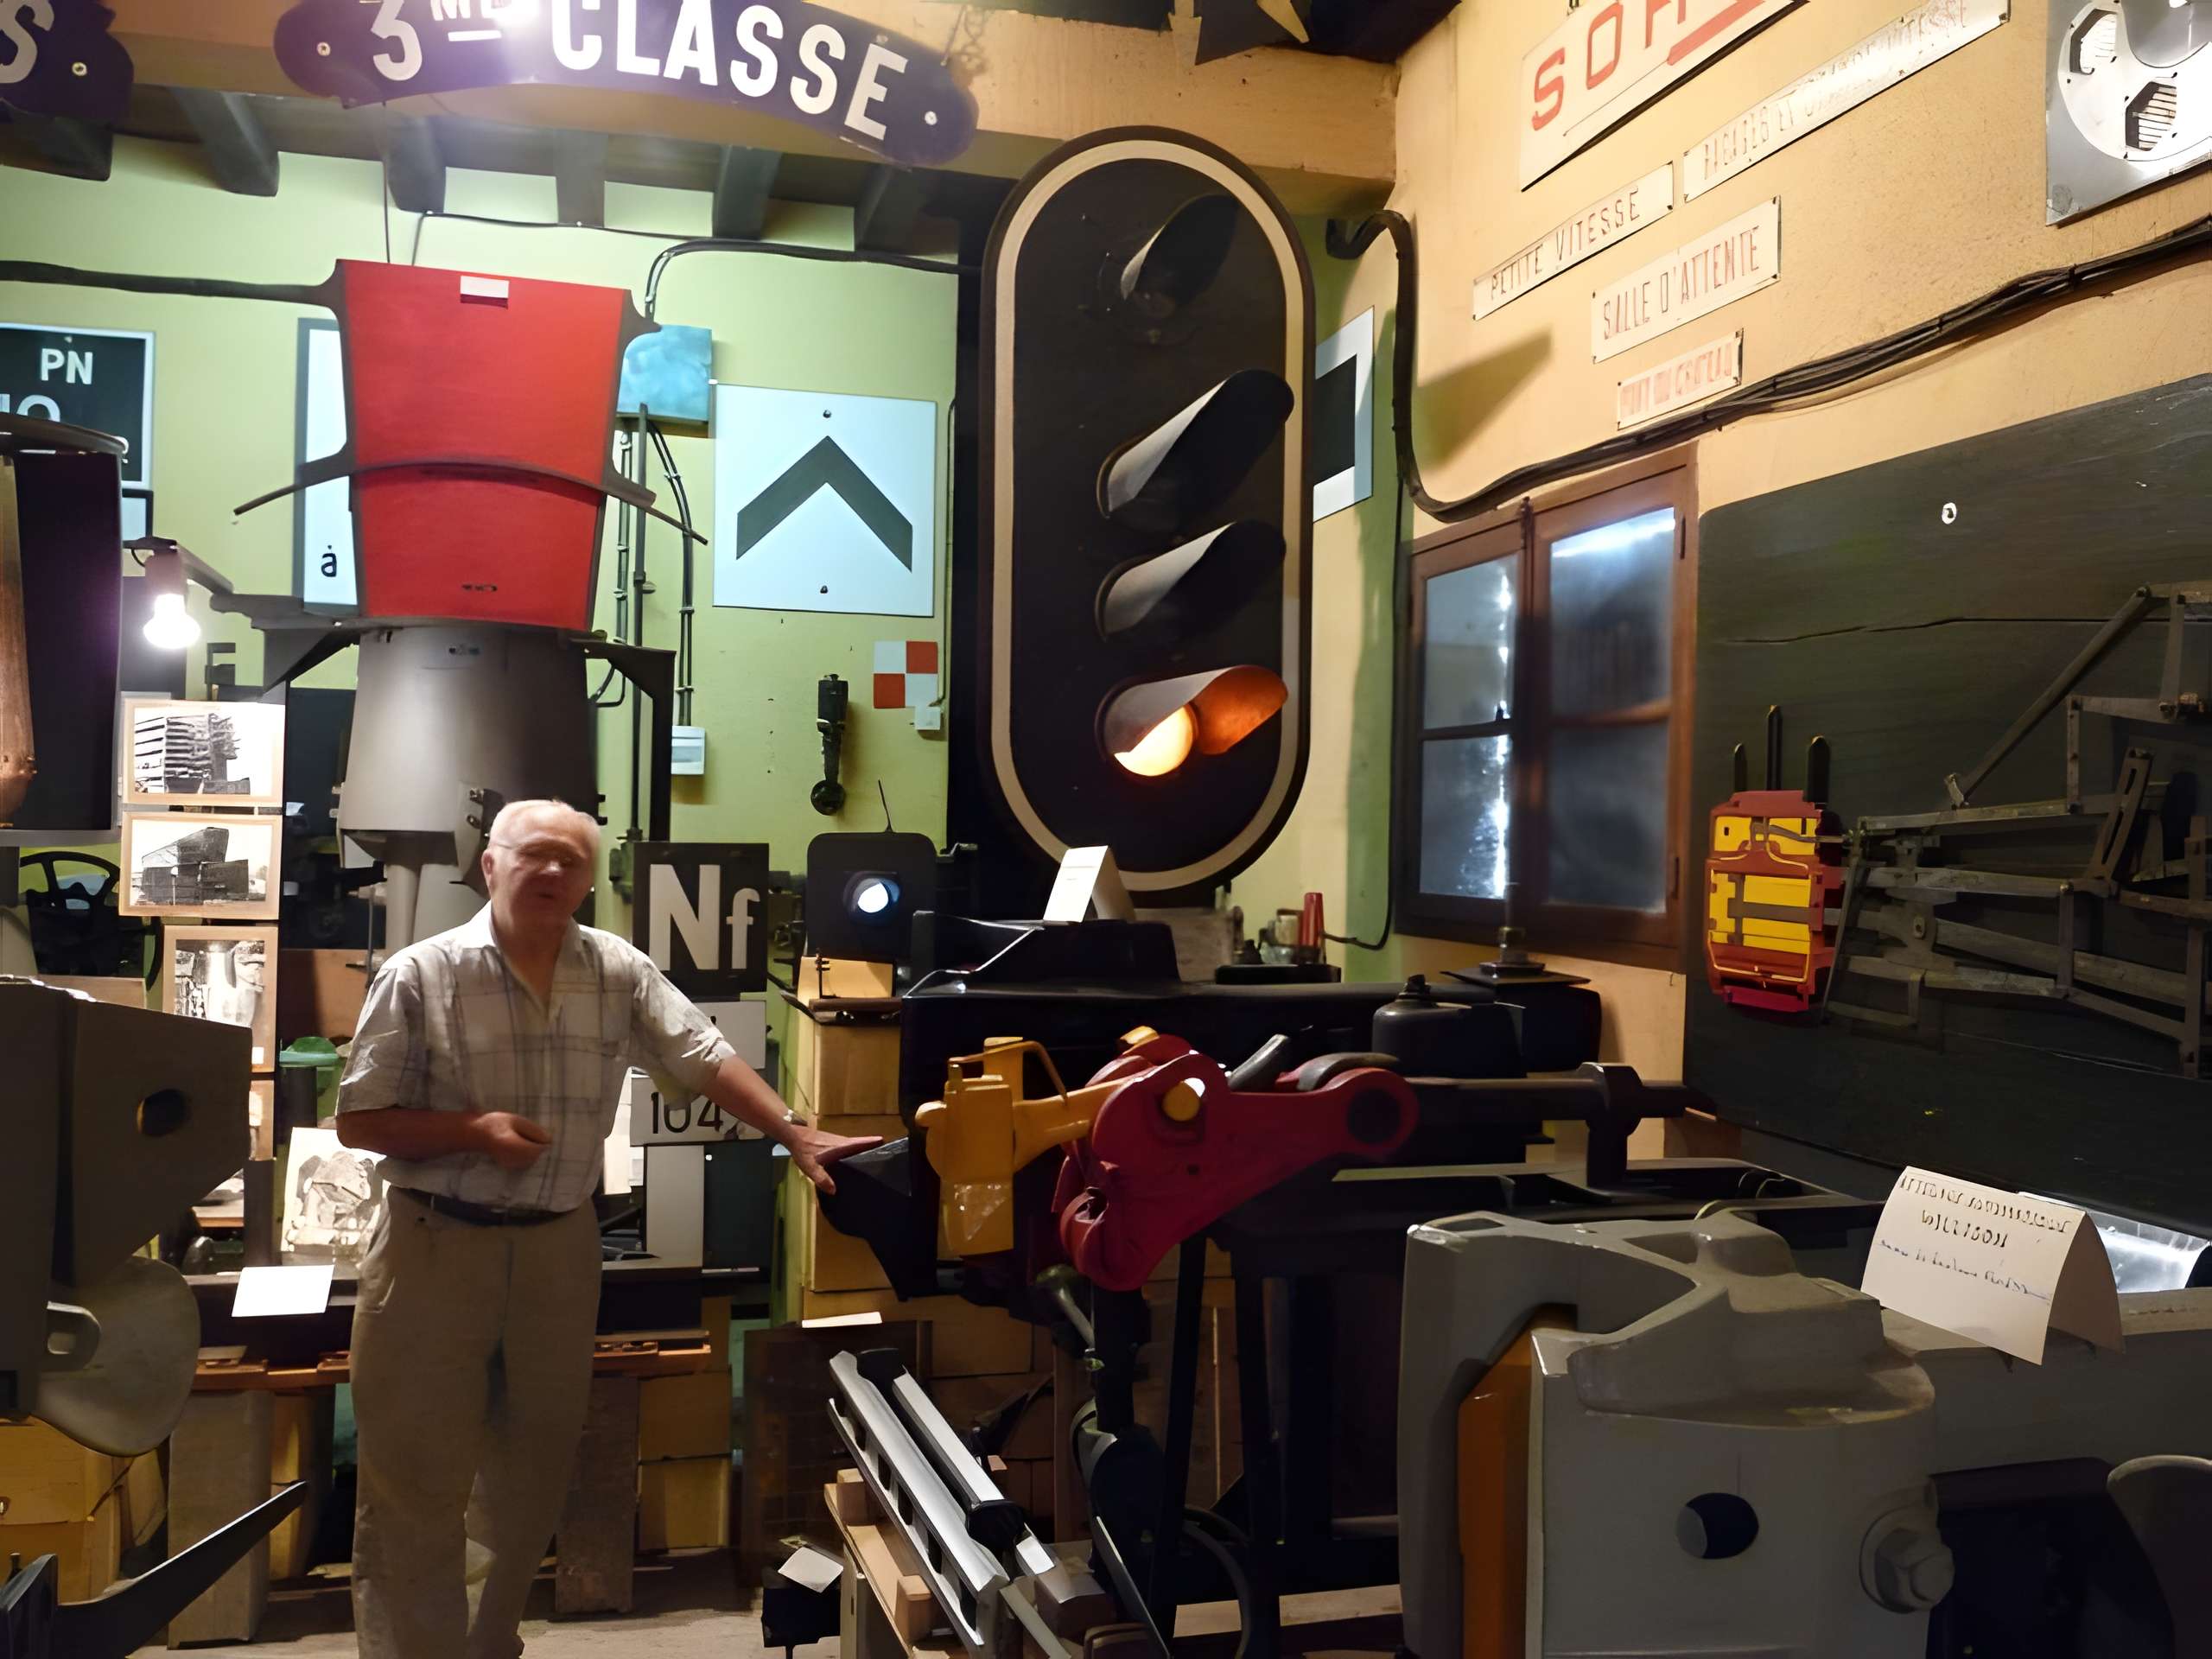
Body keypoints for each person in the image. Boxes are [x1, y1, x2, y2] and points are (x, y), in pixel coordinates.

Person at [334, 799, 880, 1659]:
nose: (553, 874)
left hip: (558, 1248)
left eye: (572, 862)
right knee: (415, 1481)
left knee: (531, 1474)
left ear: (590, 880)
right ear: (491, 866)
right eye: (535, 856)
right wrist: (472, 1131)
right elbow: (361, 1121)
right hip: (434, 1245)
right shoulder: (422, 973)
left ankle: (483, 1646)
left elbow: (704, 1054)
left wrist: (793, 1130)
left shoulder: (615, 970)